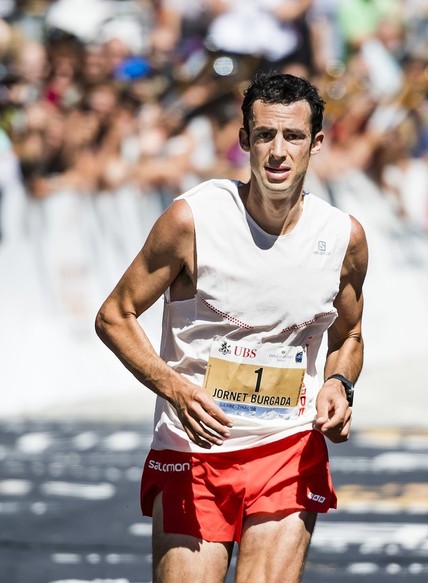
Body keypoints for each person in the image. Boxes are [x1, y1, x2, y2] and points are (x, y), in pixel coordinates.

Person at [94, 72, 368, 583]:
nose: (278, 152)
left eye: (293, 137)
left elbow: (348, 336)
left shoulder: (342, 237)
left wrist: (339, 383)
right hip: (194, 450)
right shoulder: (192, 220)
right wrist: (173, 386)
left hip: (288, 443)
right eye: (265, 135)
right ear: (244, 140)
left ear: (317, 144)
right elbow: (114, 314)